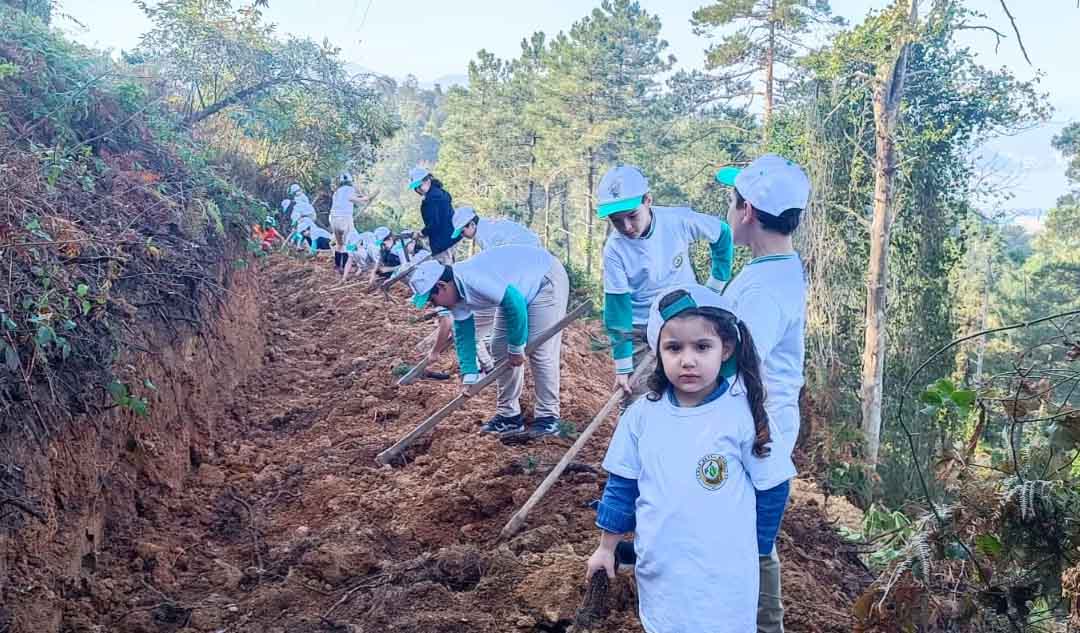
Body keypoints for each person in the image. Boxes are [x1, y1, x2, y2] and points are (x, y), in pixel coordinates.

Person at [585, 285, 795, 633]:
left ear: (725, 348)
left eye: (702, 347)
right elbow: (622, 485)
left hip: (725, 580)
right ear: (658, 351)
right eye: (674, 348)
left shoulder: (744, 416)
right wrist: (606, 548)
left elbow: (773, 486)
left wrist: (752, 550)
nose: (688, 360)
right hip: (662, 574)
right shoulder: (641, 417)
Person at [715, 153, 810, 633]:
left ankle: (760, 624)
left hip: (756, 429)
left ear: (747, 210)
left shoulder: (762, 291)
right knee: (752, 540)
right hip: (767, 421)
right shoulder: (779, 267)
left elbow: (739, 366)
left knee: (750, 542)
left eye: (731, 202)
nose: (728, 212)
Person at [596, 165, 734, 402]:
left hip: (684, 318)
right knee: (638, 398)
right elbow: (618, 309)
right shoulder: (614, 249)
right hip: (639, 327)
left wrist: (713, 288)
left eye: (632, 216)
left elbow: (722, 233)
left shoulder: (678, 221)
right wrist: (622, 365)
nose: (627, 228)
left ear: (647, 200)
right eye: (617, 221)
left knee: (691, 388)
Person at [407, 244, 569, 437]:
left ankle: (548, 418)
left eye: (432, 301)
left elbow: (515, 302)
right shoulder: (455, 295)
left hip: (544, 278)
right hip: (513, 289)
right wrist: (469, 375)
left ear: (442, 286)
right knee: (499, 348)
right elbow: (464, 333)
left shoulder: (474, 278)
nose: (433, 306)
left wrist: (517, 347)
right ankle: (509, 417)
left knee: (539, 349)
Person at [446, 206, 543, 373]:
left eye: (462, 232)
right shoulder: (487, 229)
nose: (463, 236)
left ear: (471, 225)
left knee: (503, 319)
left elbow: (497, 267)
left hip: (525, 267)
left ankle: (498, 359)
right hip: (525, 267)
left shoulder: (488, 235)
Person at [408, 167, 461, 265]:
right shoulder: (441, 192)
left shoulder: (431, 199)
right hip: (452, 238)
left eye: (419, 185)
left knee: (444, 273)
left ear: (428, 180)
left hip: (442, 242)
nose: (418, 189)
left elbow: (434, 224)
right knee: (452, 267)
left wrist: (421, 233)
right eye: (415, 187)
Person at [329, 173, 369, 274]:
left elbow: (348, 199)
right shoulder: (349, 189)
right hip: (345, 218)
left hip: (333, 219)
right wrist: (364, 199)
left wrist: (361, 197)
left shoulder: (337, 192)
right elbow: (352, 199)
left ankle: (338, 266)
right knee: (347, 244)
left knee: (339, 244)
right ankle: (346, 266)